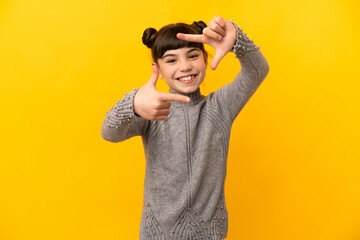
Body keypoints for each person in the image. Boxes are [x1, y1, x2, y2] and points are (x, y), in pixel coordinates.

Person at [101, 16, 269, 240]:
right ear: (157, 69)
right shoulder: (153, 110)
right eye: (171, 60)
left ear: (206, 59)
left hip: (210, 233)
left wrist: (236, 39)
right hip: (158, 234)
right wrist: (132, 103)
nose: (185, 66)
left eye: (193, 55)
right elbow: (109, 132)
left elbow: (257, 70)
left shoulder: (220, 107)